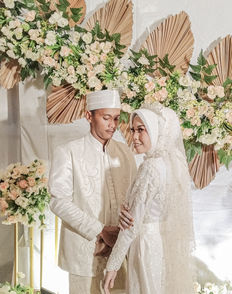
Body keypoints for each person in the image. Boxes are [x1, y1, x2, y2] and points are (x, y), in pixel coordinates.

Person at [49, 89, 137, 294]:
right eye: (106, 118)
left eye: (116, 118)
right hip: (84, 252)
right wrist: (100, 230)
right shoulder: (68, 151)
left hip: (120, 252)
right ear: (89, 116)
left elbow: (134, 197)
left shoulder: (125, 152)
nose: (112, 125)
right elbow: (58, 201)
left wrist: (122, 235)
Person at [104, 102, 195, 294]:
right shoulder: (171, 165)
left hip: (144, 245)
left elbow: (132, 225)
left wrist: (113, 264)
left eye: (141, 130)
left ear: (155, 131)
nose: (134, 137)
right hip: (160, 242)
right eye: (132, 130)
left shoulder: (151, 167)